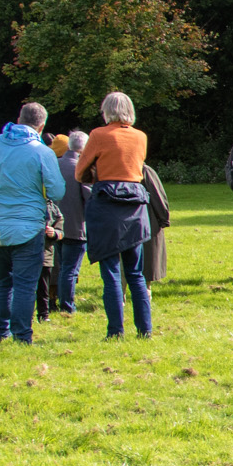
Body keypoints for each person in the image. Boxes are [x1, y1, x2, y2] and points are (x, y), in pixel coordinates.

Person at [0, 101, 66, 345]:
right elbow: (57, 190)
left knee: (3, 281)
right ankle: (22, 336)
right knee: (25, 284)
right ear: (42, 125)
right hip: (28, 226)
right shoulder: (41, 151)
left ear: (18, 118)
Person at [76, 91, 154, 337]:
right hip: (134, 203)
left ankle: (115, 331)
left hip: (107, 203)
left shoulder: (99, 135)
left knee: (111, 273)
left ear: (106, 111)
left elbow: (80, 173)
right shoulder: (140, 137)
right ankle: (145, 330)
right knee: (136, 274)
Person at [55, 129, 88, 314]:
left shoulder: (55, 164)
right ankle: (67, 306)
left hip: (55, 226)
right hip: (76, 226)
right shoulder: (81, 167)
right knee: (70, 270)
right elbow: (89, 198)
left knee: (62, 268)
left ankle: (59, 301)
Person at [140, 162, 171, 284]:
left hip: (122, 227)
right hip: (145, 224)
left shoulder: (113, 170)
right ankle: (146, 297)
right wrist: (164, 219)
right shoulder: (145, 171)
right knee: (146, 268)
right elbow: (158, 197)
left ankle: (121, 299)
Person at [37, 198, 65, 321]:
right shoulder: (27, 201)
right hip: (26, 254)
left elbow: (60, 228)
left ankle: (44, 314)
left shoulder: (52, 206)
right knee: (26, 287)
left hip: (46, 253)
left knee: (44, 287)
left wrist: (54, 233)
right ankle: (25, 314)